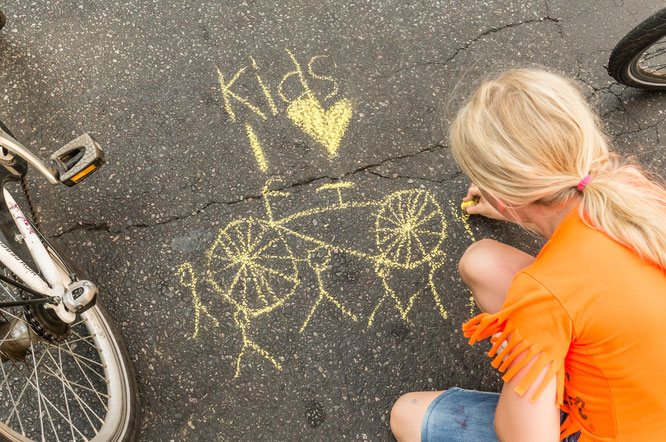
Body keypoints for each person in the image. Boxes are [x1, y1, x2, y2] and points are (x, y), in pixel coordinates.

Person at [389, 68, 666, 441]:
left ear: (506, 199)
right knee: (482, 263)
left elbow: (525, 437)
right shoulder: (634, 195)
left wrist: (529, 356)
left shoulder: (543, 296)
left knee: (408, 415)